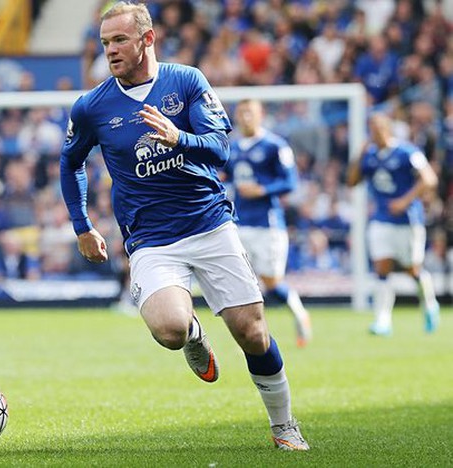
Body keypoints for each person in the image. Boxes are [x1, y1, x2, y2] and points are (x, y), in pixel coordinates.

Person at [60, 2, 308, 451]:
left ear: (147, 39)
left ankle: (284, 425)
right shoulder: (92, 107)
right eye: (105, 43)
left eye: (119, 40)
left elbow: (219, 150)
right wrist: (82, 225)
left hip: (209, 223)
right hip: (152, 239)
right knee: (170, 330)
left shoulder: (187, 81)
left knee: (252, 332)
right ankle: (194, 334)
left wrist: (179, 139)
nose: (110, 51)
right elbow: (70, 162)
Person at [223, 99, 313, 348]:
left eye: (249, 113)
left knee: (272, 283)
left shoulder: (275, 145)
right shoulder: (235, 147)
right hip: (239, 223)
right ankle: (252, 331)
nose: (245, 117)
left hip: (268, 225)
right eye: (241, 113)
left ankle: (300, 315)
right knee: (241, 281)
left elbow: (290, 182)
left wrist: (261, 189)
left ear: (260, 115)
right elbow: (226, 175)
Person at [346, 113, 440, 336]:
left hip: (408, 220)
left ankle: (429, 304)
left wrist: (405, 201)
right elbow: (352, 182)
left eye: (378, 127)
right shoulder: (368, 156)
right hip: (381, 219)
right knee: (382, 267)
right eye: (371, 128)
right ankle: (383, 320)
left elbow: (429, 179)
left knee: (412, 269)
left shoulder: (406, 152)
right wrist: (359, 155)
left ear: (388, 129)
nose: (375, 132)